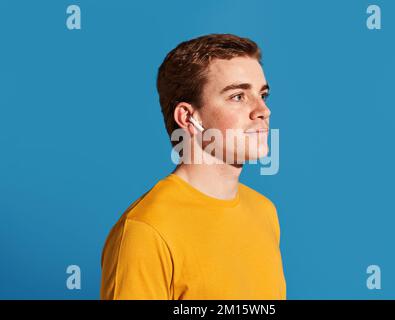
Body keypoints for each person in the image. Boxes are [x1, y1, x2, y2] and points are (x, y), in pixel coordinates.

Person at [100, 33, 286, 300]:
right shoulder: (146, 230)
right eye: (238, 96)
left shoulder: (264, 211)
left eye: (263, 94)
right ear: (188, 117)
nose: (262, 110)